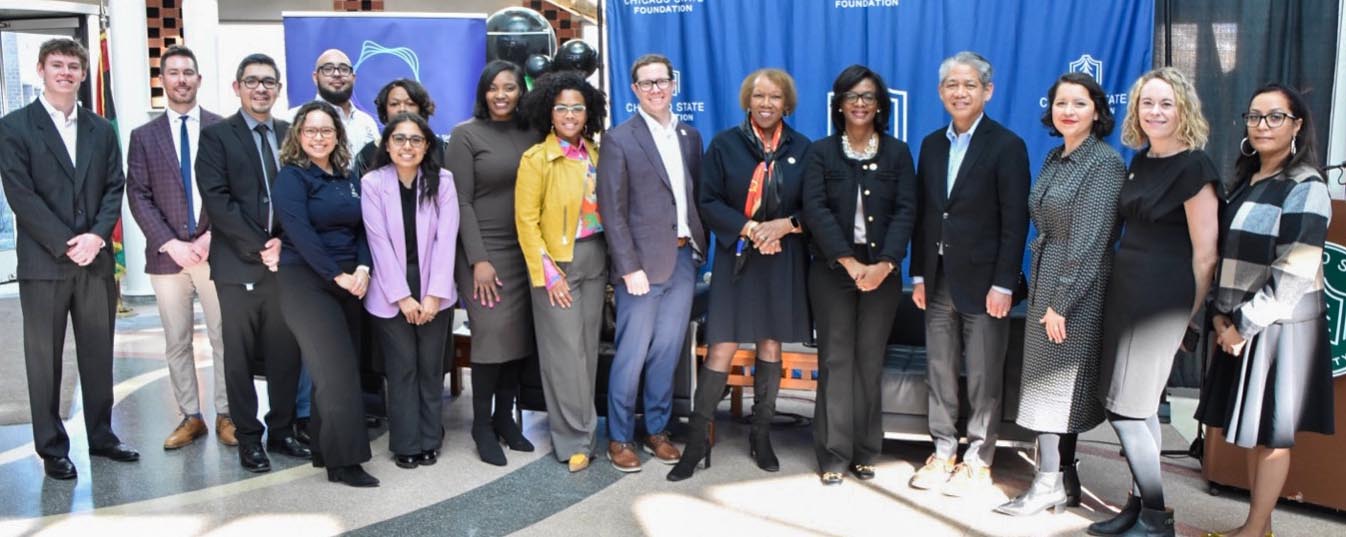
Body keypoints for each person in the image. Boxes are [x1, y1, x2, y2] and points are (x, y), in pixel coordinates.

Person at [1196, 84, 1335, 537]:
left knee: (1271, 433)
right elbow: (1226, 254)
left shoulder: (1306, 186)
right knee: (1255, 431)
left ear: (1297, 125)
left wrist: (1242, 325)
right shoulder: (1247, 180)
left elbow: (1295, 269)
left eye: (1275, 116)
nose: (1262, 125)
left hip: (1278, 327)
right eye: (1254, 116)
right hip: (1238, 322)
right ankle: (1259, 526)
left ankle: (1255, 531)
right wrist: (1219, 315)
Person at [0, 37, 137, 480]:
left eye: (73, 66)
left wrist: (96, 238)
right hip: (45, 264)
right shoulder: (14, 127)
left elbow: (115, 185)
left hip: (95, 261)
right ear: (40, 70)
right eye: (56, 64)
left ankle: (102, 436)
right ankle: (52, 446)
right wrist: (66, 243)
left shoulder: (100, 128)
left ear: (82, 74)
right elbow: (21, 194)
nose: (65, 72)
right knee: (44, 358)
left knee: (98, 354)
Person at [1093, 67, 1219, 537]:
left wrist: (1188, 317)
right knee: (1140, 407)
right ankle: (1136, 507)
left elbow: (1206, 255)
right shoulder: (1140, 160)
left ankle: (1156, 517)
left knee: (1126, 410)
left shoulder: (1195, 167)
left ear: (1183, 108)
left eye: (1166, 103)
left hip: (1163, 302)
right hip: (1127, 292)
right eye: (1148, 102)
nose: (1155, 111)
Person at [670, 68, 812, 481]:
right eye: (758, 96)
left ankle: (761, 435)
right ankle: (696, 444)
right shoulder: (724, 145)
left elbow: (815, 206)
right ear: (747, 101)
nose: (766, 103)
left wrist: (784, 227)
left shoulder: (804, 149)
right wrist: (751, 229)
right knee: (722, 345)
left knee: (770, 343)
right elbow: (707, 202)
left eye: (774, 97)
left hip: (783, 256)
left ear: (787, 104)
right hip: (738, 256)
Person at [994, 72, 1125, 516]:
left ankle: (1047, 482)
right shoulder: (1055, 157)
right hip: (1049, 276)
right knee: (1052, 387)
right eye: (1061, 103)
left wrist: (1060, 303)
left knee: (1050, 389)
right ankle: (1065, 481)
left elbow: (1090, 241)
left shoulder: (1104, 164)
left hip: (1075, 287)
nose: (1068, 110)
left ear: (1097, 111)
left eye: (1079, 103)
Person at [908, 51, 1030, 497]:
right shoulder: (931, 145)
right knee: (939, 369)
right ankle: (942, 452)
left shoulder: (1007, 145)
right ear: (941, 92)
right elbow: (925, 216)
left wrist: (1004, 282)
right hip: (937, 280)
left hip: (985, 285)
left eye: (969, 85)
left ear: (987, 91)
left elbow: (1015, 221)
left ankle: (978, 459)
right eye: (951, 86)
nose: (960, 92)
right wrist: (918, 273)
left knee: (982, 374)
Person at [801, 65, 917, 486]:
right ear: (839, 104)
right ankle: (833, 453)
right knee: (835, 360)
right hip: (833, 271)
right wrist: (849, 263)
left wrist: (885, 265)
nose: (860, 104)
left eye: (868, 96)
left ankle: (867, 450)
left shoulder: (898, 153)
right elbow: (815, 210)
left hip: (883, 273)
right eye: (852, 96)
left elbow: (907, 211)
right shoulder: (821, 152)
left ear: (880, 103)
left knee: (869, 360)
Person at [197, 53, 309, 473]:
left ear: (278, 89)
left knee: (285, 352)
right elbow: (218, 201)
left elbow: (300, 196)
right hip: (237, 266)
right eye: (252, 81)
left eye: (268, 82)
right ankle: (249, 438)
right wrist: (262, 244)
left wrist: (283, 243)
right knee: (239, 357)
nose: (260, 88)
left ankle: (280, 431)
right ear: (237, 87)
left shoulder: (290, 135)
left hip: (285, 266)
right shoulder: (216, 137)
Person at [598, 53, 706, 473]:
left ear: (673, 84)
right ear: (635, 90)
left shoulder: (690, 137)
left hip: (683, 259)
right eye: (646, 83)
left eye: (662, 81)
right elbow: (612, 208)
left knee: (666, 353)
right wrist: (628, 267)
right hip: (639, 267)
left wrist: (698, 249)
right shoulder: (620, 139)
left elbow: (692, 198)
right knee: (632, 354)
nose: (656, 89)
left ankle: (657, 431)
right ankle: (620, 437)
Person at [125, 45, 234, 450]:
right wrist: (170, 243)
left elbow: (231, 191)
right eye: (173, 72)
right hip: (166, 257)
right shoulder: (143, 137)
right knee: (177, 339)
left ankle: (226, 414)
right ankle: (191, 416)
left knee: (225, 336)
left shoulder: (222, 129)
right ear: (163, 80)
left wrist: (209, 237)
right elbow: (138, 195)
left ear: (199, 80)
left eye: (189, 72)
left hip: (213, 252)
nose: (182, 79)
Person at [272, 101, 377, 487]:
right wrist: (338, 276)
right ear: (299, 135)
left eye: (326, 130)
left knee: (331, 371)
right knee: (337, 373)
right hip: (306, 281)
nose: (319, 137)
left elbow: (365, 228)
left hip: (351, 280)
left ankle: (322, 447)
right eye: (311, 130)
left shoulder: (348, 177)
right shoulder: (291, 178)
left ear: (338, 135)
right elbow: (300, 235)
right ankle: (345, 463)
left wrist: (363, 268)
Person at [514, 71, 609, 473]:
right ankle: (573, 440)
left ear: (588, 113)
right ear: (549, 113)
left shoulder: (598, 153)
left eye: (577, 107)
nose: (570, 114)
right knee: (564, 355)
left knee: (587, 352)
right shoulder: (536, 159)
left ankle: (585, 431)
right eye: (561, 108)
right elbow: (525, 220)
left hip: (596, 259)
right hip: (558, 265)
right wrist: (547, 271)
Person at [447, 61, 540, 466]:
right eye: (493, 88)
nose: (501, 95)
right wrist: (479, 260)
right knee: (491, 337)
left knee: (517, 340)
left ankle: (505, 418)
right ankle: (481, 425)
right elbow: (460, 200)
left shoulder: (533, 131)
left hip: (525, 250)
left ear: (522, 91)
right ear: (483, 92)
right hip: (482, 251)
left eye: (510, 87)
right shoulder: (464, 135)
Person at [363, 113, 458, 470]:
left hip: (435, 281)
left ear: (427, 145)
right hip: (390, 288)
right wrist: (402, 297)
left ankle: (430, 438)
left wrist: (434, 294)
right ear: (386, 145)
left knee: (430, 366)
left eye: (416, 139)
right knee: (402, 366)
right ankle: (406, 441)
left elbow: (446, 239)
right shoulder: (373, 183)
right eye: (399, 139)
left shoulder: (443, 181)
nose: (407, 146)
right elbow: (378, 243)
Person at [287, 48, 379, 159]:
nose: (336, 74)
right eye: (328, 69)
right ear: (315, 77)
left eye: (344, 69)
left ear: (353, 78)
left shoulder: (367, 121)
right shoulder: (294, 119)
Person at [352, 79, 443, 180]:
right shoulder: (367, 153)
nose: (402, 109)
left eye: (410, 103)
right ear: (384, 110)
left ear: (421, 109)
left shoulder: (440, 148)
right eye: (394, 104)